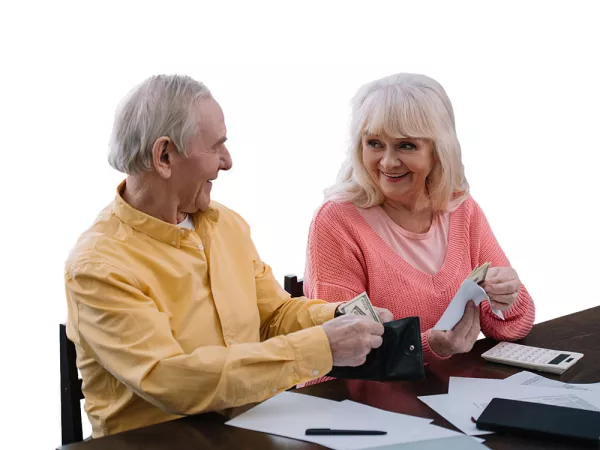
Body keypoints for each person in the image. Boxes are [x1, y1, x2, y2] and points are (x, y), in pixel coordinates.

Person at [64, 74, 393, 438]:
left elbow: (274, 316)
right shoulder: (99, 267)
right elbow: (170, 379)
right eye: (216, 146)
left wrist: (338, 316)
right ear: (164, 156)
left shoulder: (227, 226)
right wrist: (321, 346)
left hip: (257, 433)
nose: (228, 161)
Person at [303, 73, 535, 371]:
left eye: (406, 146)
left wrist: (506, 299)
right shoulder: (337, 221)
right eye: (374, 143)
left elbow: (511, 329)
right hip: (357, 403)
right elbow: (343, 355)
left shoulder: (461, 208)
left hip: (451, 395)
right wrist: (430, 348)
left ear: (438, 151)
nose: (387, 162)